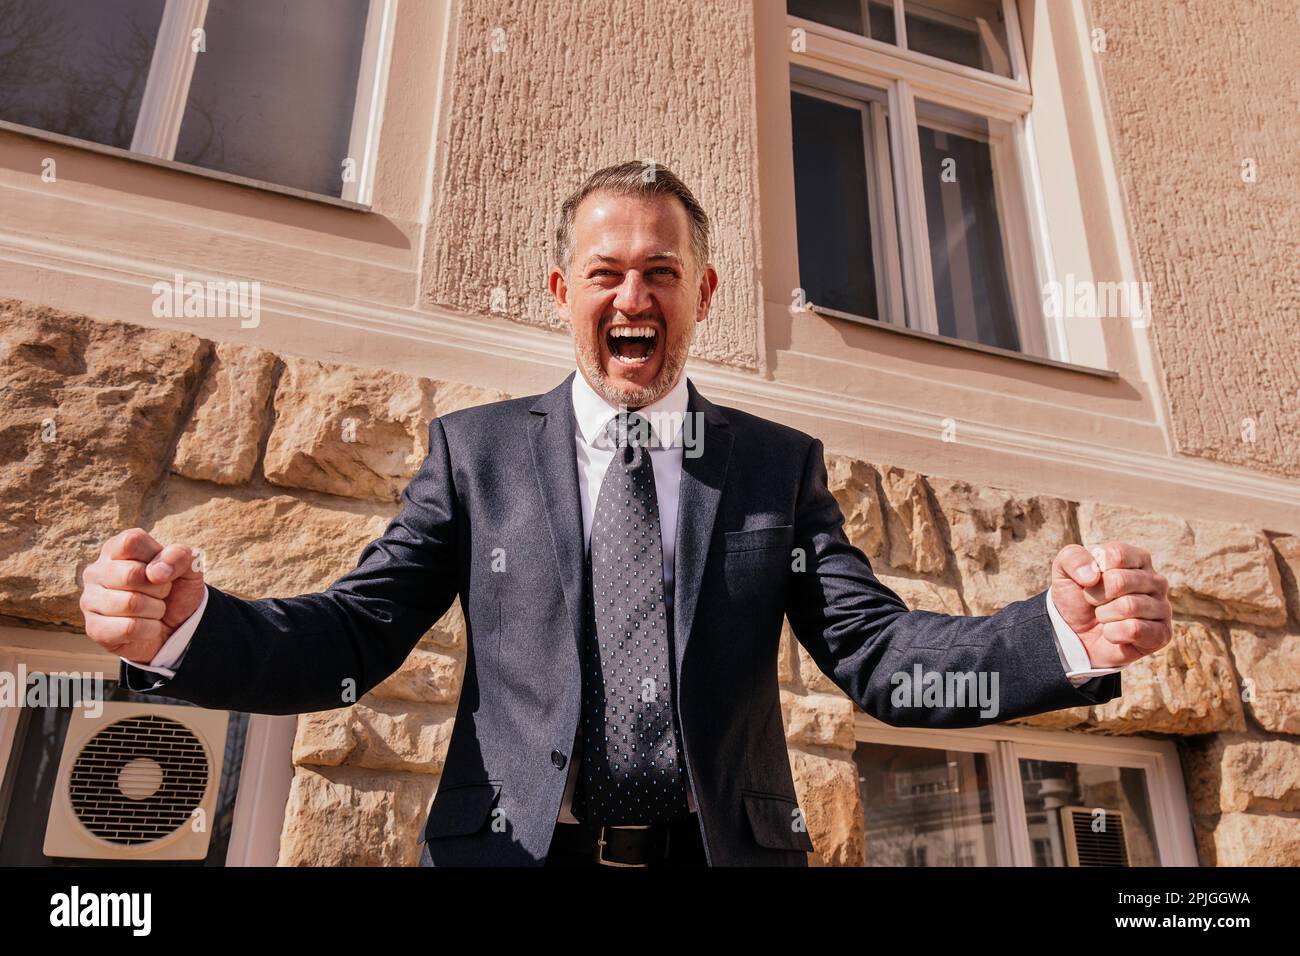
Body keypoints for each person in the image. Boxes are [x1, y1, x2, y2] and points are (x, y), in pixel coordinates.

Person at [79, 161, 1172, 867]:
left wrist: (1059, 633)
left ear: (704, 292)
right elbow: (354, 635)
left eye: (662, 270)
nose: (633, 298)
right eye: (606, 272)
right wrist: (188, 628)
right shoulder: (480, 453)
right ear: (564, 294)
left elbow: (881, 654)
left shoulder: (773, 468)